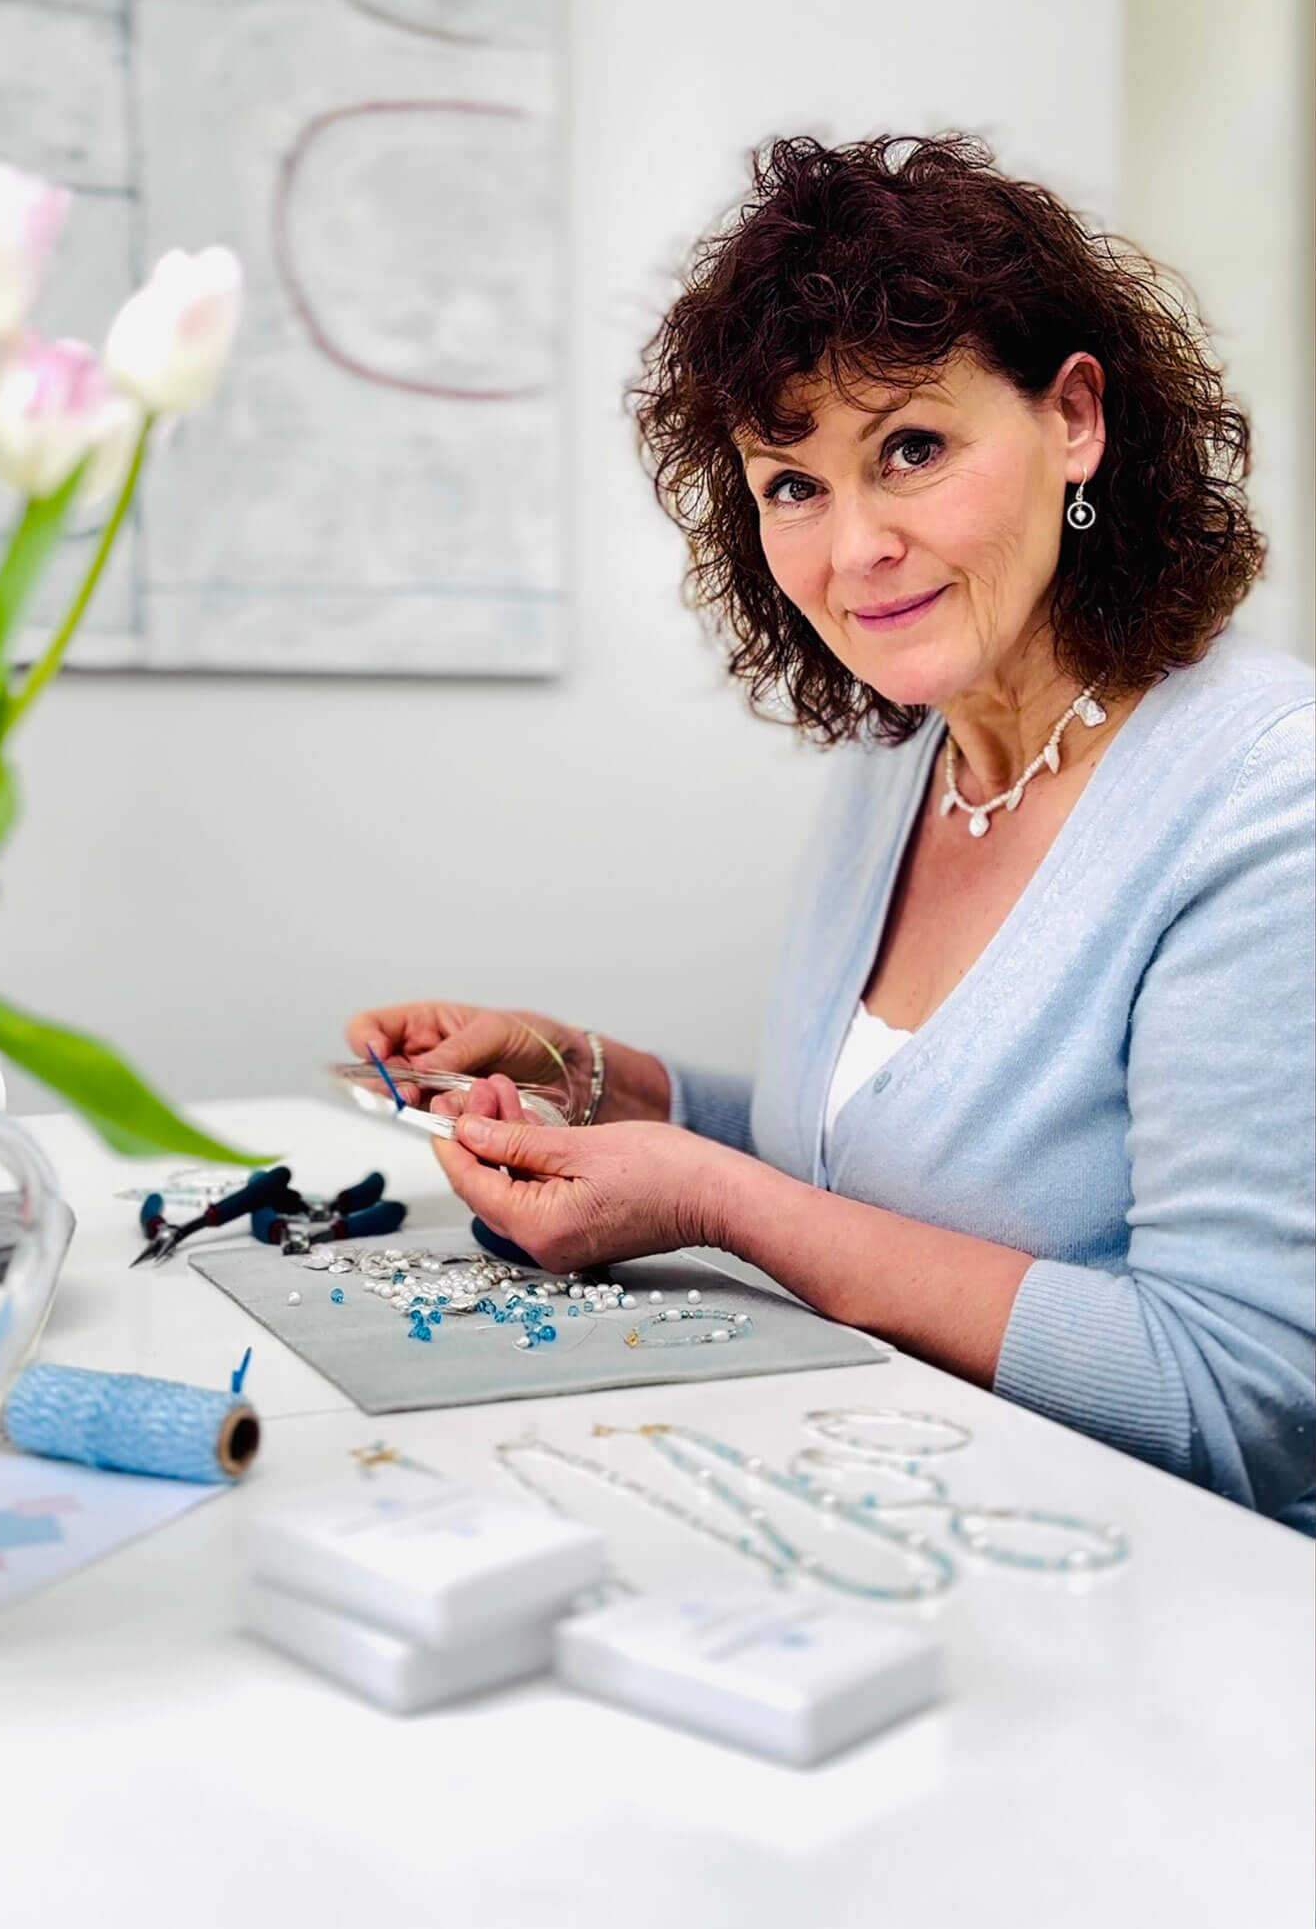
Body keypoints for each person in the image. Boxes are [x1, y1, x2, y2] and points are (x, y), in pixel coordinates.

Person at [347, 134, 1315, 1531]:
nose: (851, 547)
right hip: (906, 1520)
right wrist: (587, 1073)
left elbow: (1233, 1394)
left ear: (1076, 419)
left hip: (1179, 1619)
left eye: (910, 448)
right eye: (791, 483)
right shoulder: (902, 751)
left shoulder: (1267, 796)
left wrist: (714, 1204)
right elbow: (870, 1155)